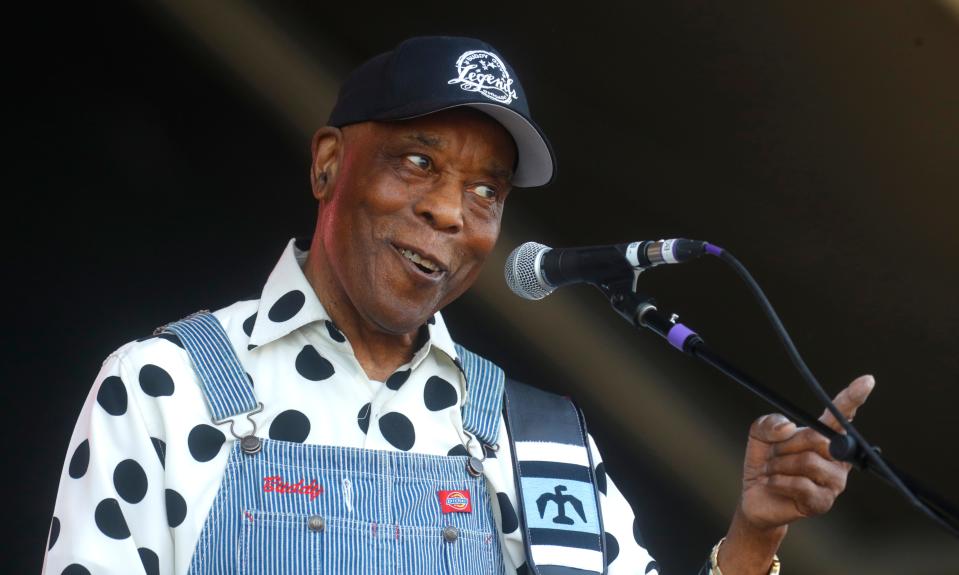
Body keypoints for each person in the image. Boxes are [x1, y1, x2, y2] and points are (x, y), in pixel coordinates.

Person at [42, 36, 873, 575]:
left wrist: (752, 538)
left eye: (486, 189)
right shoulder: (168, 387)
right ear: (330, 164)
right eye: (416, 161)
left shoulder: (532, 433)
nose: (450, 209)